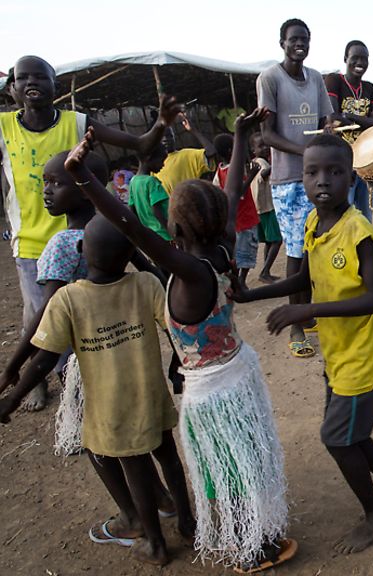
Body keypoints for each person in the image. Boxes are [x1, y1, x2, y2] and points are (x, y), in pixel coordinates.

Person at [64, 115, 295, 571]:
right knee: (245, 464)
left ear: (175, 233)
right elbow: (229, 194)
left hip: (212, 394)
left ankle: (251, 549)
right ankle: (254, 535)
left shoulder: (188, 273)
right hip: (237, 375)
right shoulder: (222, 249)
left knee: (226, 474)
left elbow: (131, 226)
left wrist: (85, 177)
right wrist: (243, 135)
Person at [236, 133, 373, 555]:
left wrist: (307, 312)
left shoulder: (357, 230)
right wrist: (253, 295)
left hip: (364, 357)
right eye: (313, 172)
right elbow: (305, 278)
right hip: (340, 354)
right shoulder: (315, 222)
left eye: (335, 172)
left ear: (351, 179)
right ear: (300, 179)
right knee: (349, 433)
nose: (323, 181)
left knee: (337, 438)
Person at [0, 214, 194, 567]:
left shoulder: (69, 300)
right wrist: (176, 365)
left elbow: (44, 360)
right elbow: (173, 327)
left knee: (134, 471)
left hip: (111, 410)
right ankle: (186, 522)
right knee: (168, 458)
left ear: (80, 250)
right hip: (152, 396)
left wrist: (12, 398)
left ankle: (155, 543)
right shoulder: (147, 284)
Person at [0, 55, 181, 411]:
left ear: (57, 86)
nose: (32, 82)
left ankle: (72, 392)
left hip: (89, 237)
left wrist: (160, 125)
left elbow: (141, 145)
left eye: (42, 76)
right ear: (12, 88)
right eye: (23, 78)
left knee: (68, 323)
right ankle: (61, 389)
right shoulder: (4, 128)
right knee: (48, 321)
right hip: (34, 243)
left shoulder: (77, 122)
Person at [257, 18, 334, 359]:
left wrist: (328, 132)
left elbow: (323, 122)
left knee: (315, 247)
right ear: (282, 43)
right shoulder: (270, 78)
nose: (299, 44)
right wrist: (307, 151)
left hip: (316, 178)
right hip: (289, 179)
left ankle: (308, 311)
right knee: (295, 251)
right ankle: (296, 325)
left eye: (304, 39)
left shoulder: (315, 78)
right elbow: (268, 134)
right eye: (293, 39)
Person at [326, 39, 373, 221]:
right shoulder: (334, 80)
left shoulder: (368, 87)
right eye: (355, 58)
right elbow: (333, 118)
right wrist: (368, 121)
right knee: (345, 214)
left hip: (366, 161)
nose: (360, 63)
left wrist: (351, 117)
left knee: (364, 216)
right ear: (346, 58)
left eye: (365, 59)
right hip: (341, 160)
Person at [212, 134, 261, 290]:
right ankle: (240, 281)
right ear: (230, 151)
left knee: (237, 254)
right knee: (245, 254)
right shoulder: (234, 170)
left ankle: (237, 281)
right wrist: (252, 175)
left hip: (235, 219)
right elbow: (238, 192)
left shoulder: (220, 169)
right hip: (245, 218)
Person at [250, 131, 283, 283]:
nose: (264, 148)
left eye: (266, 145)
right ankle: (264, 271)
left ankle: (266, 271)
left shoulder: (254, 162)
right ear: (254, 150)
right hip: (267, 209)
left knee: (270, 241)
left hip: (260, 209)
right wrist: (278, 157)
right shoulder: (261, 163)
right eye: (260, 146)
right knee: (277, 240)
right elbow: (263, 175)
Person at [154, 114, 217, 194]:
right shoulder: (155, 165)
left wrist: (193, 130)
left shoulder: (187, 155)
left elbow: (211, 151)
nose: (165, 139)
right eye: (162, 137)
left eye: (169, 136)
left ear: (174, 138)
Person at [129, 144, 173, 242]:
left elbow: (132, 210)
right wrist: (172, 233)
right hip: (164, 235)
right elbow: (157, 211)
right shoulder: (152, 182)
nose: (163, 165)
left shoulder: (133, 181)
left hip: (149, 236)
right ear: (148, 158)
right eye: (161, 160)